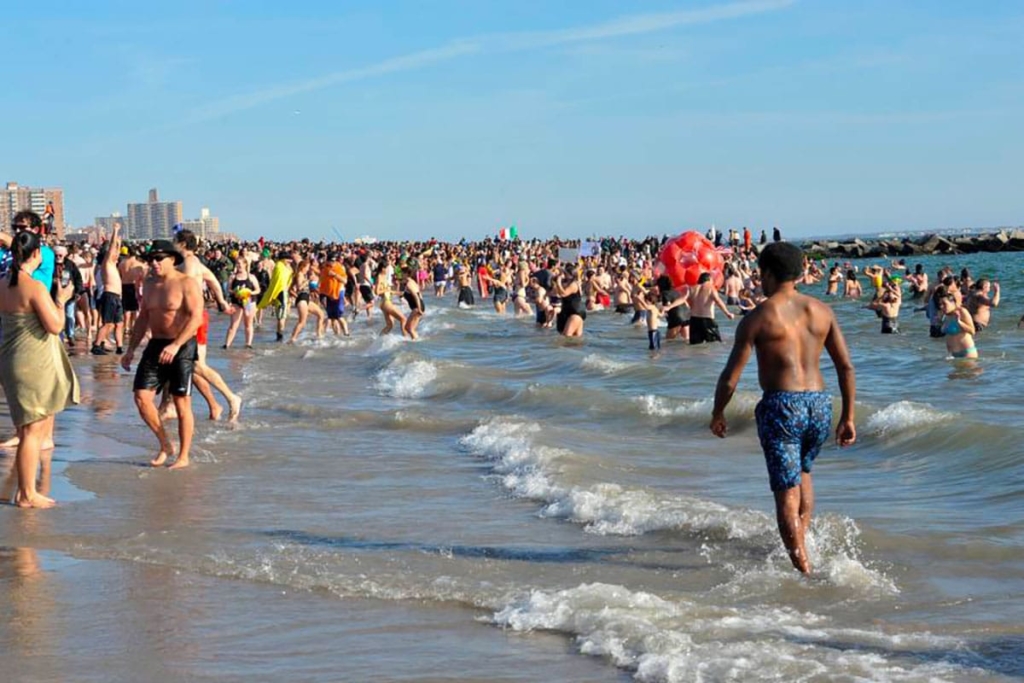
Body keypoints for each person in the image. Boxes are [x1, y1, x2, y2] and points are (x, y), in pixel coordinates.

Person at [711, 242, 856, 575]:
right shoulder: (822, 311)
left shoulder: (758, 317)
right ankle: (802, 546)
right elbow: (846, 367)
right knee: (803, 473)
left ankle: (804, 571)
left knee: (785, 493)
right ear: (800, 272)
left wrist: (718, 412)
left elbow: (730, 378)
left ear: (767, 274)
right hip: (820, 404)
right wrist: (848, 416)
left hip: (782, 405)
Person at [0, 231, 79, 507]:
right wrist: (62, 299)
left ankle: (26, 491)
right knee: (32, 432)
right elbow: (55, 325)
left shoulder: (2, 284)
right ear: (36, 254)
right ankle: (26, 493)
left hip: (10, 359)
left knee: (27, 429)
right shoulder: (33, 287)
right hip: (32, 362)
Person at [121, 241, 203, 468]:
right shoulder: (149, 284)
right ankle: (165, 444)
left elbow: (196, 318)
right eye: (151, 259)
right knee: (141, 397)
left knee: (181, 402)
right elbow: (143, 318)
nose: (154, 263)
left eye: (159, 259)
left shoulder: (186, 283)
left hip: (182, 345)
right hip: (156, 344)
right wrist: (130, 349)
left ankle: (183, 456)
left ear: (172, 259)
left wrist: (176, 345)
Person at [173, 230, 242, 422]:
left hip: (192, 317)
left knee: (195, 365)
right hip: (196, 316)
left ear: (183, 244)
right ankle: (214, 405)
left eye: (175, 241)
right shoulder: (195, 262)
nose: (172, 245)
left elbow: (185, 290)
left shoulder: (188, 264)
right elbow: (213, 280)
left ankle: (231, 397)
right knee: (191, 365)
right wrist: (221, 302)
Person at [92, 223, 124, 355]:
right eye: (115, 252)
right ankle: (96, 345)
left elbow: (115, 251)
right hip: (109, 295)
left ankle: (119, 347)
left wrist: (119, 244)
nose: (117, 254)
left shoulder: (114, 263)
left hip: (116, 297)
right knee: (108, 324)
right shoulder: (107, 262)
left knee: (119, 323)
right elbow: (111, 248)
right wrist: (115, 231)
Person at [222, 257, 261, 348]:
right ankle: (227, 344)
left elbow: (258, 290)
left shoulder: (251, 277)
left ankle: (248, 344)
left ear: (245, 264)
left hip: (249, 302)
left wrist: (249, 292)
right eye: (237, 263)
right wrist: (235, 291)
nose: (238, 265)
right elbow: (228, 289)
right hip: (236, 302)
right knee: (233, 324)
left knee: (248, 324)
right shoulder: (233, 277)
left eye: (240, 263)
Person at [688, 272, 735, 344]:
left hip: (694, 320)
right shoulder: (711, 288)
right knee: (715, 343)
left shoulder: (692, 288)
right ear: (709, 279)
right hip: (707, 320)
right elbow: (718, 301)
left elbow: (688, 302)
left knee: (695, 345)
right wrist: (727, 313)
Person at [936, 286, 978, 359]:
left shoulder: (962, 311)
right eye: (940, 304)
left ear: (952, 303)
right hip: (952, 355)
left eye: (944, 304)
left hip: (967, 353)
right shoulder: (946, 315)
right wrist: (939, 321)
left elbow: (972, 331)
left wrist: (959, 322)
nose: (941, 306)